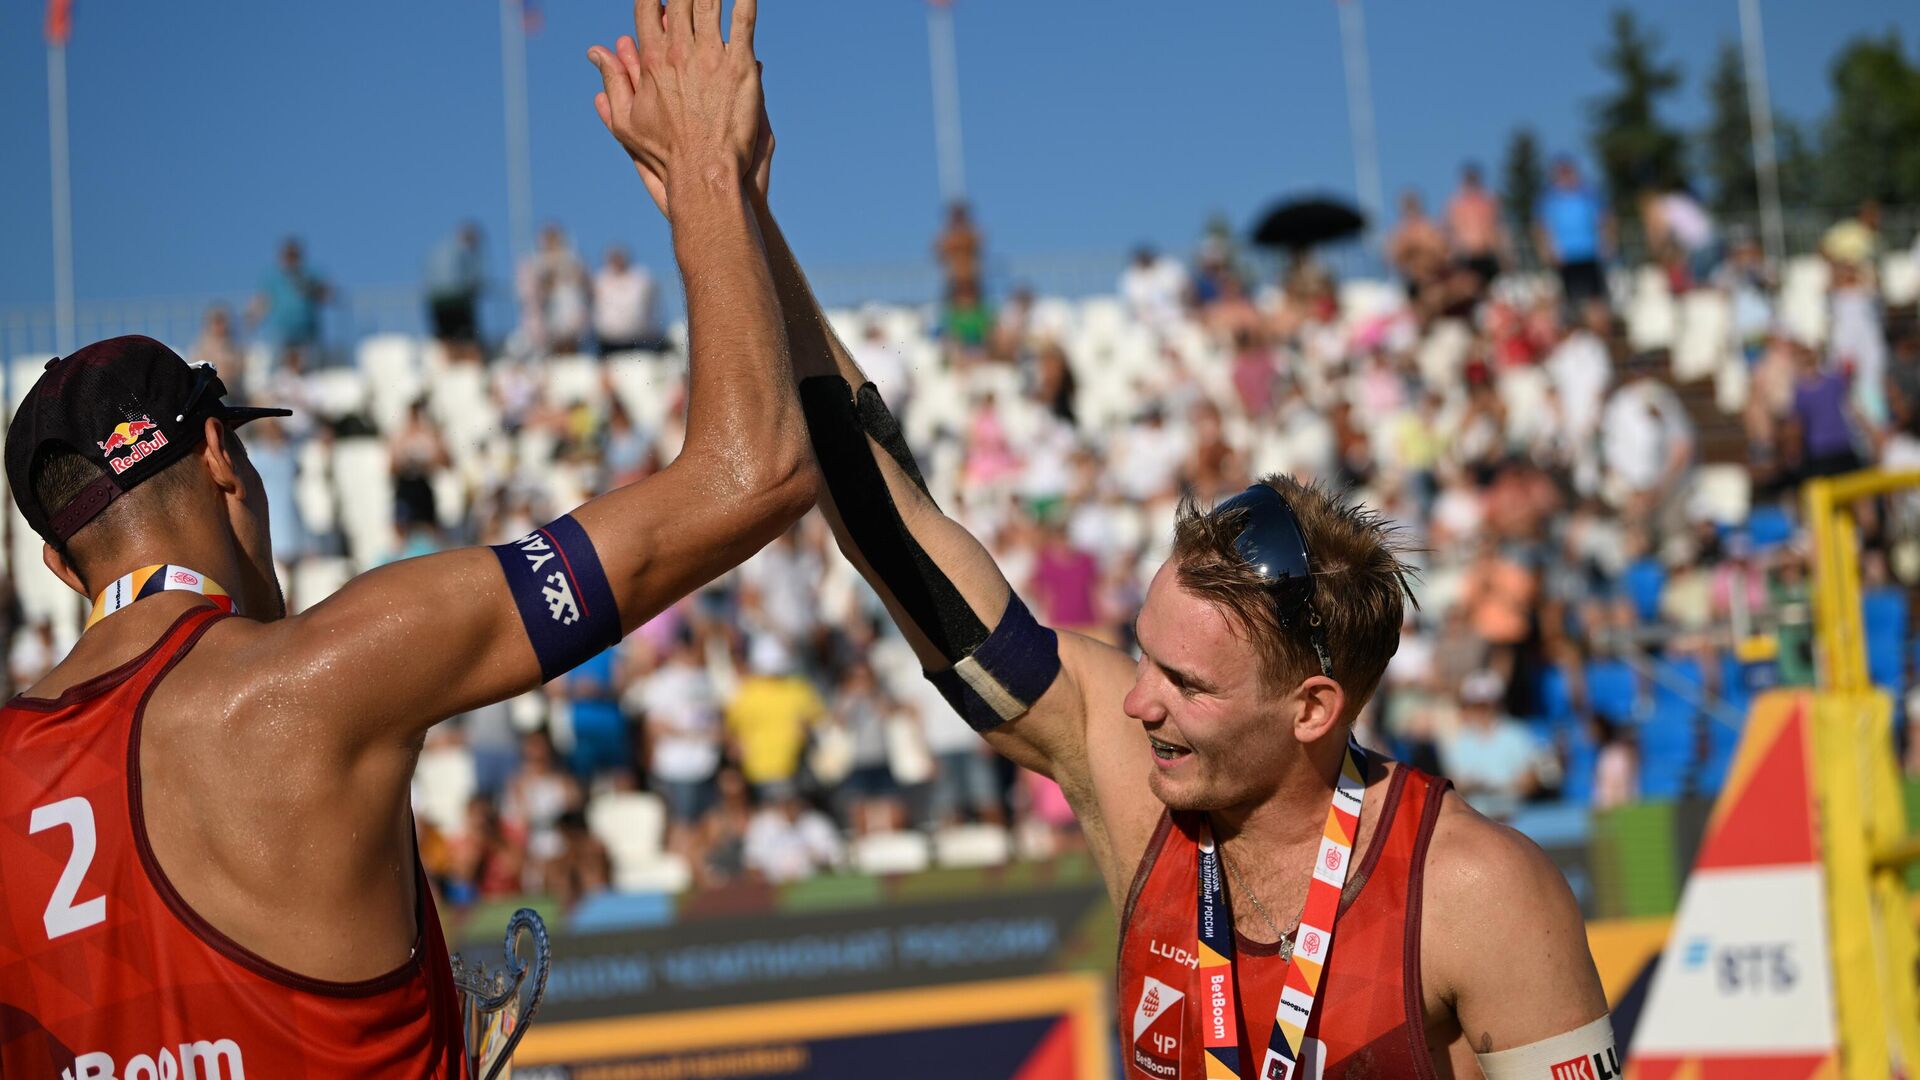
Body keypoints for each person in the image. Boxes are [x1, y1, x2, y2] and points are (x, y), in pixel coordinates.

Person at [0, 4, 808, 1072]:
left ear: (60, 563)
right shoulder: (330, 673)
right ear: (221, 458)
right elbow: (757, 473)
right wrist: (709, 172)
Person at [754, 137, 1615, 1070]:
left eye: (1187, 683)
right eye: (1144, 657)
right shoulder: (1140, 782)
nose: (1136, 702)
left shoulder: (1480, 894)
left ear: (1312, 709)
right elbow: (900, 538)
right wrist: (743, 219)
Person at [1535, 157, 1612, 313]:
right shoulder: (1549, 200)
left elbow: (1604, 219)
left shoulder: (1588, 194)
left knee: (1597, 296)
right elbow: (1541, 227)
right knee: (1571, 298)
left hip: (1590, 252)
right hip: (1565, 256)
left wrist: (1607, 243)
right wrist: (1546, 250)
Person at [247, 236, 331, 372]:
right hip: (281, 336)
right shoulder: (272, 278)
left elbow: (327, 295)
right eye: (288, 255)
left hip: (308, 335)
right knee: (280, 372)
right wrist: (251, 319)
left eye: (294, 255)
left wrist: (314, 289)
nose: (291, 259)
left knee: (310, 372)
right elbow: (261, 302)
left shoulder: (310, 275)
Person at [425, 221, 486, 361]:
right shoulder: (464, 252)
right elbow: (472, 280)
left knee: (446, 337)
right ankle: (471, 363)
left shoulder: (438, 250)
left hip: (436, 301)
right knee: (468, 336)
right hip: (458, 300)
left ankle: (450, 363)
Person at [592, 244, 664, 354]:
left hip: (638, 337)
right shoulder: (600, 279)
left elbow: (653, 303)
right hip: (608, 339)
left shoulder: (641, 277)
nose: (617, 261)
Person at [1445, 163, 1505, 289]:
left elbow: (1497, 228)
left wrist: (1502, 253)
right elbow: (1450, 232)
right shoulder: (1457, 204)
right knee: (1468, 290)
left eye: (1474, 179)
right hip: (1466, 256)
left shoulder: (1488, 202)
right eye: (1469, 179)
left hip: (1487, 254)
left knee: (1490, 289)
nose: (1472, 183)